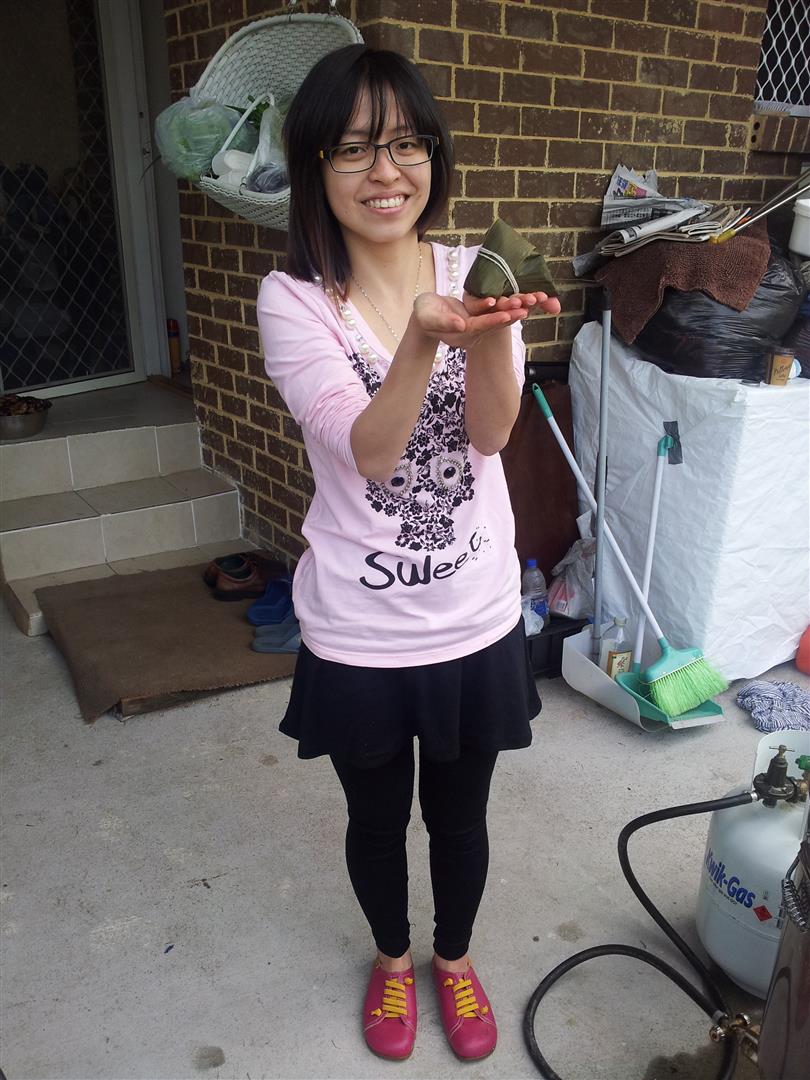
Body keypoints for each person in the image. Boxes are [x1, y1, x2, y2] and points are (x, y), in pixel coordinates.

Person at [257, 44, 561, 1063]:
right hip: (361, 624)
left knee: (461, 819)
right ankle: (393, 962)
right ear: (316, 166)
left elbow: (490, 434)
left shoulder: (475, 271)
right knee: (378, 819)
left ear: (434, 155)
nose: (386, 172)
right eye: (354, 149)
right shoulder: (294, 300)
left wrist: (487, 332)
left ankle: (454, 958)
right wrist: (427, 340)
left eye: (406, 144)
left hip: (473, 614)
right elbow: (371, 452)